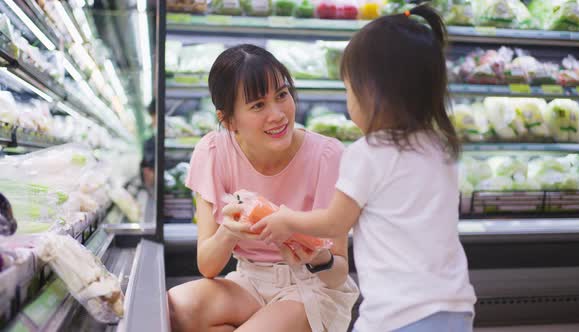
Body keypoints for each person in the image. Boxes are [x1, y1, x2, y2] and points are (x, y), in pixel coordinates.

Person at [252, 5, 477, 332]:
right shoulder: (441, 146)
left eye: (349, 89)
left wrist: (287, 220)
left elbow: (334, 222)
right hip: (455, 308)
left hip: (398, 315)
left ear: (373, 92)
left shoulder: (368, 152)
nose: (349, 100)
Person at [167, 44, 359, 332]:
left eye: (282, 95)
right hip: (249, 282)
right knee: (175, 308)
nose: (278, 114)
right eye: (258, 105)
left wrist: (318, 257)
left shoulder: (326, 155)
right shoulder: (212, 151)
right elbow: (207, 267)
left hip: (312, 287)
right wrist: (229, 231)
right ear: (228, 120)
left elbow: (338, 273)